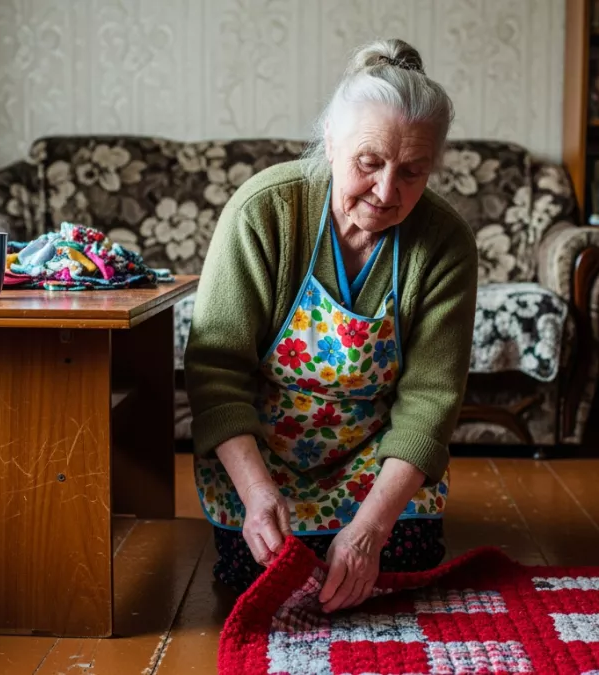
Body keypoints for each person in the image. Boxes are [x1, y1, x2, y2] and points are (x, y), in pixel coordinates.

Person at [184, 38, 478, 613]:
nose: (387, 192)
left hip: (373, 454)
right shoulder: (264, 211)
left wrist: (370, 529)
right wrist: (257, 493)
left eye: (412, 172)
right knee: (254, 570)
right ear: (330, 141)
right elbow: (217, 371)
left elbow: (430, 399)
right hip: (264, 452)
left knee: (405, 558)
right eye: (369, 163)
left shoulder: (445, 242)